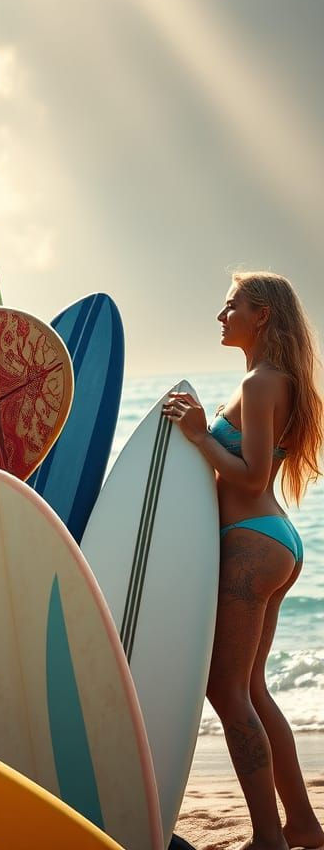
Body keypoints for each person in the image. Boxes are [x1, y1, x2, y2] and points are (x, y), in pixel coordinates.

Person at [163, 271, 324, 850]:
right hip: (275, 540)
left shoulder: (260, 384)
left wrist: (200, 436)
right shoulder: (273, 382)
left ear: (262, 316)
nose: (221, 315)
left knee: (227, 691)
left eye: (232, 306)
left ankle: (267, 838)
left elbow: (251, 474)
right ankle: (303, 825)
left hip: (254, 543)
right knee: (251, 688)